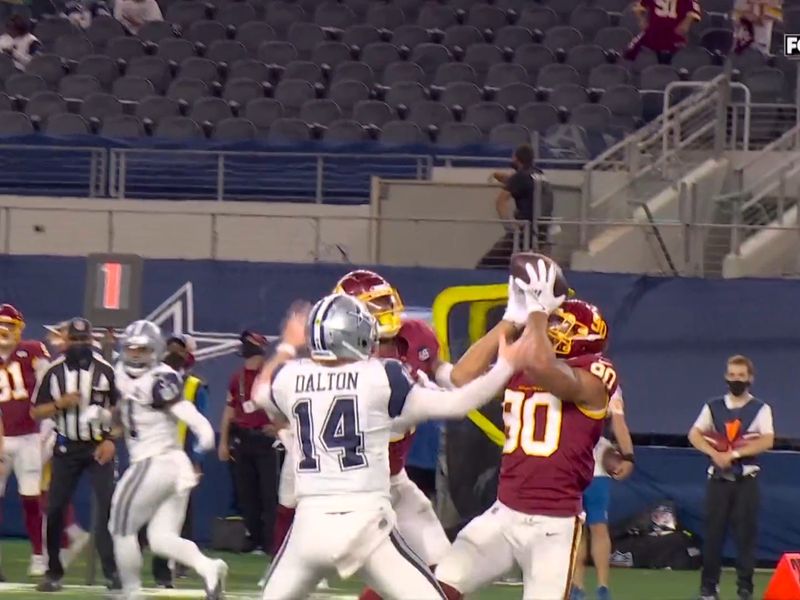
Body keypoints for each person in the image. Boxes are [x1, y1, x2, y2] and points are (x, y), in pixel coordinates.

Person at [256, 292, 526, 599]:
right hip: (365, 524)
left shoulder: (290, 376)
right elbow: (458, 403)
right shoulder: (380, 376)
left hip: (307, 529)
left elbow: (261, 392)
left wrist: (288, 345)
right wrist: (505, 366)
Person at [435, 260, 618, 600]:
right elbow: (461, 376)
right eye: (551, 320)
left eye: (558, 323)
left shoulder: (596, 372)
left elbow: (545, 369)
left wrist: (535, 310)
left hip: (554, 525)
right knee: (436, 588)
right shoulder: (531, 355)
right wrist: (512, 317)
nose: (551, 326)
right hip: (504, 513)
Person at [109, 320, 227, 599]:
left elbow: (182, 408)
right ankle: (209, 568)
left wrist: (203, 430)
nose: (136, 355)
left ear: (156, 350)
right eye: (132, 349)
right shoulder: (122, 374)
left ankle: (131, 591)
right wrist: (102, 418)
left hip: (155, 461)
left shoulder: (160, 377)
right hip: (173, 467)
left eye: (143, 349)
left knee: (120, 526)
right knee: (161, 539)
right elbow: (126, 416)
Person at [31, 316, 120, 592]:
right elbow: (36, 411)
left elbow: (119, 411)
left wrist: (111, 440)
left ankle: (112, 571)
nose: (80, 344)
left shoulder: (105, 370)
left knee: (107, 508)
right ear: (66, 341)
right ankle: (53, 572)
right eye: (75, 340)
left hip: (97, 446)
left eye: (84, 340)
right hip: (66, 446)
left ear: (90, 341)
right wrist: (60, 404)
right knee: (55, 508)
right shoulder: (54, 372)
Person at [688, 355, 774, 600]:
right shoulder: (713, 406)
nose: (736, 379)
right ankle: (708, 588)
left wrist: (734, 454)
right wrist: (714, 453)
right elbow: (694, 434)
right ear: (726, 377)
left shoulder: (760, 409)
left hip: (746, 480)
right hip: (718, 480)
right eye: (733, 375)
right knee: (713, 534)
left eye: (741, 376)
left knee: (746, 535)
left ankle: (745, 588)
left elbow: (767, 440)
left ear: (750, 379)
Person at [151, 333, 208, 587]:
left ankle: (177, 563)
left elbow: (201, 422)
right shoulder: (152, 381)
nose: (174, 353)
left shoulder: (194, 385)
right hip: (156, 454)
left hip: (182, 456)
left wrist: (197, 459)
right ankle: (159, 567)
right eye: (170, 348)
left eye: (179, 349)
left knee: (180, 515)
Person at [571, 387, 635, 600]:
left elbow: (618, 422)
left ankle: (599, 587)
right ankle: (579, 586)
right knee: (579, 527)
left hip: (591, 460)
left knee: (591, 526)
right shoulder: (568, 376)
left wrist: (628, 456)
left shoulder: (609, 384)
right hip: (571, 461)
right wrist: (628, 456)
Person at [218, 330, 278, 554]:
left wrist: (279, 428)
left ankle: (271, 542)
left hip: (267, 442)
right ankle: (253, 537)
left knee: (269, 493)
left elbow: (287, 405)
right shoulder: (237, 378)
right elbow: (229, 410)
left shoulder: (273, 377)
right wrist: (224, 442)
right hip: (243, 440)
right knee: (247, 493)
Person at [0, 304, 49, 577]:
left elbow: (50, 383)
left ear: (20, 328)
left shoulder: (32, 350)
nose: (4, 329)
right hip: (1, 438)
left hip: (29, 436)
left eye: (10, 324)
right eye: (1, 323)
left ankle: (39, 556)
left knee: (31, 499)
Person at [478, 144, 554, 269]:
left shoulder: (520, 177)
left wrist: (510, 228)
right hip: (542, 233)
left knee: (485, 266)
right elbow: (517, 181)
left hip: (523, 234)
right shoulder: (539, 174)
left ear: (516, 158)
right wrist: (498, 176)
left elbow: (501, 202)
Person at [625, 0, 701, 60]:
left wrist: (686, 23)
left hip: (674, 34)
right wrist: (641, 20)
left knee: (677, 56)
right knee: (631, 51)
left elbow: (693, 10)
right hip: (653, 32)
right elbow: (639, 7)